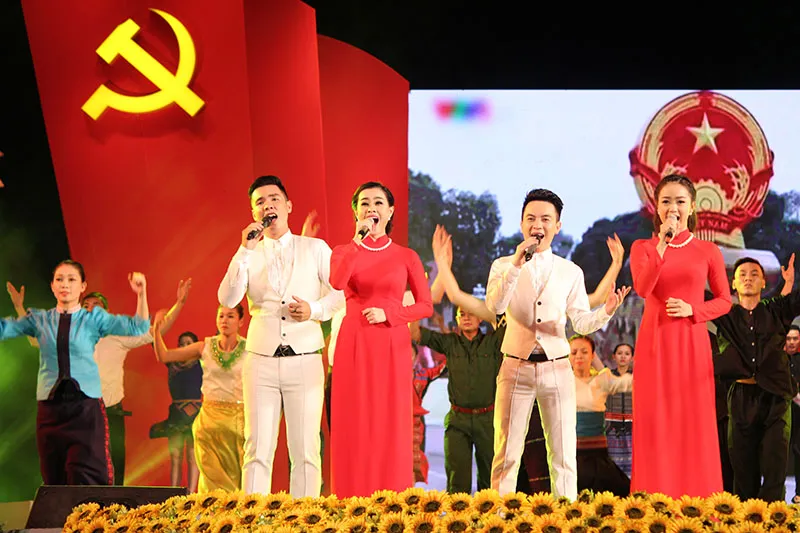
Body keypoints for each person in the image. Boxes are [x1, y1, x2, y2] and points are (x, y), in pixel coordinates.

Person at [486, 188, 630, 499]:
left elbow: (581, 323)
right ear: (522, 223)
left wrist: (606, 310)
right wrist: (516, 264)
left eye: (545, 219)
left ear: (557, 225)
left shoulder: (570, 272)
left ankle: (565, 514)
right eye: (531, 218)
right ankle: (497, 514)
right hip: (515, 366)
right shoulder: (503, 266)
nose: (537, 225)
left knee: (563, 454)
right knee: (506, 452)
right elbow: (495, 306)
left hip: (557, 369)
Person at [218, 175, 344, 497]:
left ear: (288, 206)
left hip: (305, 357)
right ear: (254, 212)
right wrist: (244, 250)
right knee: (257, 447)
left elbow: (340, 295)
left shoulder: (315, 248)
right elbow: (228, 298)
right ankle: (253, 516)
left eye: (274, 199)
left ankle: (304, 516)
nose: (267, 205)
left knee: (305, 449)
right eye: (259, 202)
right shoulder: (249, 253)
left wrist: (314, 309)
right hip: (261, 359)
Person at [7, 279, 191, 485]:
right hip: (79, 414)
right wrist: (19, 307)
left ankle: (112, 505)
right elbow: (35, 340)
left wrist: (179, 303)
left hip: (110, 413)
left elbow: (157, 330)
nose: (90, 309)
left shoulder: (117, 335)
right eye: (86, 306)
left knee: (112, 474)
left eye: (96, 306)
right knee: (78, 471)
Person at [0, 261, 150, 485]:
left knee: (87, 477)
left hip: (85, 408)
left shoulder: (93, 319)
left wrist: (141, 293)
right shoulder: (39, 319)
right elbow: (5, 328)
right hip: (50, 410)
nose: (65, 285)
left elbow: (138, 327)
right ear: (52, 286)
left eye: (72, 279)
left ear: (82, 286)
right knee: (54, 478)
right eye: (59, 279)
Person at [630, 174, 732, 498]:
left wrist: (693, 309)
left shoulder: (708, 250)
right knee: (655, 423)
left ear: (692, 207)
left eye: (680, 201)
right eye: (666, 201)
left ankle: (699, 501)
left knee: (693, 422)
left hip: (692, 345)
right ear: (656, 207)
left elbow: (724, 301)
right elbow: (643, 288)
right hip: (655, 345)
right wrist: (662, 244)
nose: (673, 207)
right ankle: (653, 502)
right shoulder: (643, 247)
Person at [329, 181, 433, 497]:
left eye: (378, 202)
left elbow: (425, 306)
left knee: (389, 421)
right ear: (355, 212)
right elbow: (337, 282)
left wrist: (390, 314)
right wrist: (356, 242)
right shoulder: (343, 252)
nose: (371, 208)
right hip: (354, 342)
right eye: (364, 203)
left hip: (392, 344)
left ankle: (392, 497)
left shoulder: (406, 256)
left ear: (390, 211)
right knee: (354, 420)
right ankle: (349, 496)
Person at [712, 254, 799, 502]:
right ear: (733, 283)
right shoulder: (725, 314)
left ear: (763, 282)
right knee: (743, 471)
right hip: (740, 398)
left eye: (754, 274)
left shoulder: (775, 310)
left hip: (776, 398)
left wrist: (788, 284)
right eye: (742, 275)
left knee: (775, 467)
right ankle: (745, 519)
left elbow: (791, 301)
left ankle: (774, 518)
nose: (748, 279)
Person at [153, 303, 247, 492]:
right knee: (211, 483)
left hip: (238, 423)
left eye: (230, 316)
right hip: (209, 422)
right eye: (221, 316)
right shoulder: (205, 346)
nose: (224, 320)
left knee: (237, 483)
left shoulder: (251, 349)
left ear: (241, 321)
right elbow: (164, 356)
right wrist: (156, 331)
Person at [570, 334, 632, 496]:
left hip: (598, 455)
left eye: (584, 352)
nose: (579, 356)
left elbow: (627, 383)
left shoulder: (601, 380)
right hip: (571, 455)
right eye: (574, 352)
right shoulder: (562, 381)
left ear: (593, 355)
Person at [149, 330, 202, 492]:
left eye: (189, 344)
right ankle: (173, 493)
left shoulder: (202, 363)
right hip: (176, 416)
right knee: (176, 455)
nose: (185, 347)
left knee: (193, 456)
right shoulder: (172, 363)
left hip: (195, 415)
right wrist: (155, 329)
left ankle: (191, 494)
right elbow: (156, 344)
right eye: (181, 344)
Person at [604, 343, 634, 478]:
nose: (623, 357)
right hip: (611, 428)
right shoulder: (607, 376)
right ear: (614, 356)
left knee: (632, 464)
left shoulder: (637, 377)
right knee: (612, 464)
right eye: (619, 353)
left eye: (627, 354)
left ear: (632, 358)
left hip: (632, 428)